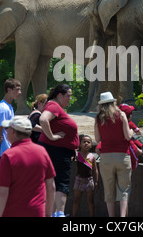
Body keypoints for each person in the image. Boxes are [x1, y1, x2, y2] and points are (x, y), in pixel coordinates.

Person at [0, 116, 55, 217]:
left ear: (13, 131)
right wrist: (48, 213)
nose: (6, 131)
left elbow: (2, 192)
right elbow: (51, 187)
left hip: (13, 212)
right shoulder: (42, 152)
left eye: (7, 128)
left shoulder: (8, 155)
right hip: (37, 212)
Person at [38, 84, 78, 217]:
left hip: (57, 151)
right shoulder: (53, 106)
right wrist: (52, 137)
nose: (70, 99)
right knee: (61, 182)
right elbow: (43, 119)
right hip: (56, 151)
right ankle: (59, 214)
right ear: (60, 95)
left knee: (53, 182)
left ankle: (54, 213)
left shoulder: (54, 106)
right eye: (68, 96)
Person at [94, 91, 133, 217]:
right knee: (124, 190)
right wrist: (132, 131)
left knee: (109, 191)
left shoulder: (98, 118)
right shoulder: (121, 115)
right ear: (113, 102)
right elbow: (127, 136)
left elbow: (97, 139)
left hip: (105, 157)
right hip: (122, 156)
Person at [0, 79, 22, 168]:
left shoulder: (9, 107)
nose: (20, 92)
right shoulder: (3, 109)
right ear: (9, 90)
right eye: (17, 90)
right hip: (3, 153)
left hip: (9, 151)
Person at [72, 134, 98, 217]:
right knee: (76, 200)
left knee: (90, 201)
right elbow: (72, 158)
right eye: (84, 142)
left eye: (88, 142)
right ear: (80, 144)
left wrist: (96, 181)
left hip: (89, 180)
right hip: (79, 179)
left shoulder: (92, 157)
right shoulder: (77, 155)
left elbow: (95, 170)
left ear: (91, 145)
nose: (86, 143)